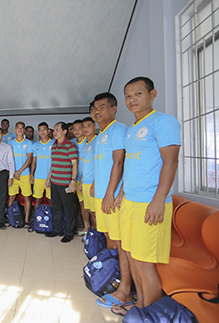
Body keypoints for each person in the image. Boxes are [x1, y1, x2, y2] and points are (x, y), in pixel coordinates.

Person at [112, 77, 181, 315]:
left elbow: (171, 162)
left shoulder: (164, 122)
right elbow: (131, 166)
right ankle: (140, 306)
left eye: (138, 94)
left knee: (144, 263)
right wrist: (121, 192)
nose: (132, 100)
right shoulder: (131, 130)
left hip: (149, 204)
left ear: (153, 94)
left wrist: (159, 200)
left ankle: (150, 316)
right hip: (130, 202)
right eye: (128, 96)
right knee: (132, 257)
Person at [90, 92, 133, 310]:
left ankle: (125, 289)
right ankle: (114, 279)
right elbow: (104, 165)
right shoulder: (101, 135)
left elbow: (119, 163)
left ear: (114, 109)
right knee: (110, 238)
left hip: (112, 198)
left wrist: (109, 193)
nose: (97, 112)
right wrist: (96, 185)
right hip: (101, 196)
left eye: (102, 107)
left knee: (121, 243)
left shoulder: (119, 130)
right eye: (94, 109)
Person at [45, 122, 78, 242]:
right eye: (54, 130)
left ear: (64, 131)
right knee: (56, 208)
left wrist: (73, 181)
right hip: (55, 182)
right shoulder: (54, 146)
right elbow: (53, 165)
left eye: (57, 130)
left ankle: (69, 233)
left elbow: (75, 164)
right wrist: (49, 178)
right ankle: (57, 229)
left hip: (65, 183)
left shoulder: (70, 146)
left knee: (68, 209)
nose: (54, 133)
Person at [8, 122, 33, 226]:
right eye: (18, 127)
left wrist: (19, 171)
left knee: (27, 197)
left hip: (25, 174)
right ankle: (10, 218)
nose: (20, 129)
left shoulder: (28, 143)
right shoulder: (10, 143)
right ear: (15, 130)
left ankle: (26, 220)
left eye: (22, 128)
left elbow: (29, 159)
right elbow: (8, 160)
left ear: (24, 130)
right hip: (12, 174)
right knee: (11, 196)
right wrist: (14, 172)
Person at [78, 116, 98, 234]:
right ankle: (91, 233)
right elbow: (85, 165)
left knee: (95, 212)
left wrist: (94, 184)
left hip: (93, 183)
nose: (85, 129)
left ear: (95, 127)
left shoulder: (97, 141)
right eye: (83, 126)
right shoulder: (86, 143)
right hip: (85, 182)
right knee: (89, 210)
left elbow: (99, 165)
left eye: (89, 126)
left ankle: (97, 235)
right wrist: (81, 182)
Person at [31, 122, 54, 209]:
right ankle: (36, 217)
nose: (42, 132)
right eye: (40, 130)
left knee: (51, 200)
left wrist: (50, 177)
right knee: (38, 199)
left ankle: (53, 219)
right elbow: (34, 161)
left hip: (51, 177)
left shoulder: (54, 143)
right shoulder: (35, 145)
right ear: (38, 132)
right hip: (38, 177)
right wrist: (31, 175)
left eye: (44, 129)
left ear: (48, 131)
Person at [70, 119, 86, 234]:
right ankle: (78, 221)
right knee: (74, 201)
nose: (77, 131)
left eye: (79, 128)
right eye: (74, 129)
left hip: (85, 178)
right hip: (72, 178)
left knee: (84, 203)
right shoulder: (71, 143)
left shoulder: (89, 141)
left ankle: (87, 225)